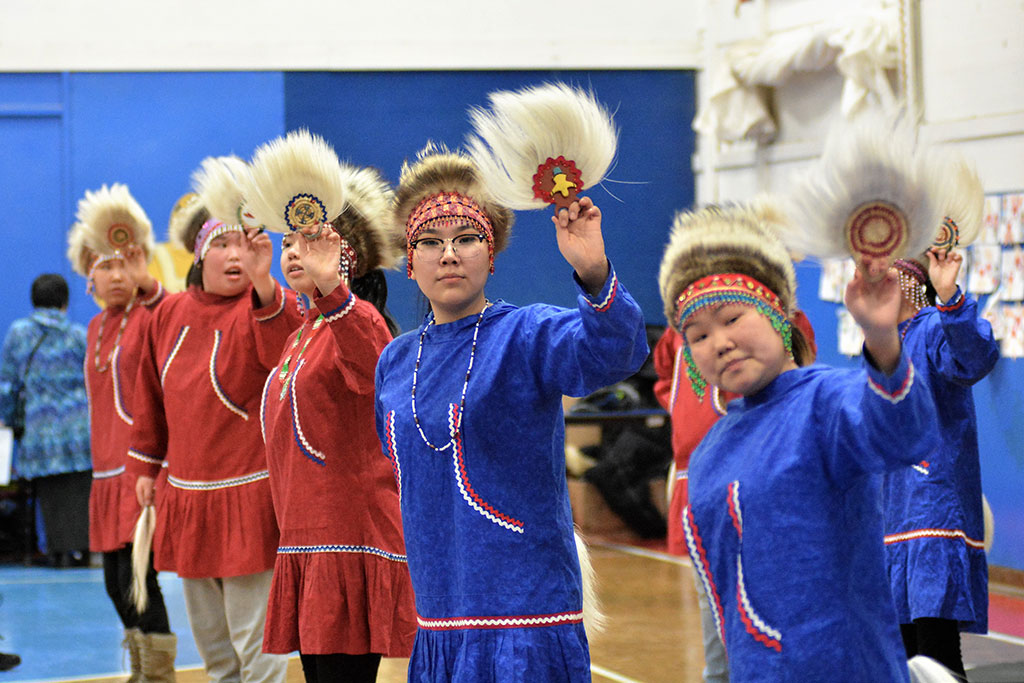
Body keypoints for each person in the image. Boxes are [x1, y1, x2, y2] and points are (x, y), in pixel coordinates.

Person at [374, 145, 648, 681]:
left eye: (466, 239)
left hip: (527, 613)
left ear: (492, 252)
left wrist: (593, 271)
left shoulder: (528, 334)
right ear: (410, 261)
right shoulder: (395, 360)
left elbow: (616, 350)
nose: (448, 254)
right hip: (437, 616)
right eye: (430, 242)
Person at [659, 202, 939, 681]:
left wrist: (880, 336)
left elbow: (905, 434)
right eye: (698, 334)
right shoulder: (709, 453)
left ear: (777, 312)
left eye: (731, 318)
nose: (718, 342)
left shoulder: (826, 402)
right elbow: (725, 603)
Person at [244, 130, 416, 683]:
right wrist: (260, 281)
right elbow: (275, 352)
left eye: (311, 242)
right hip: (308, 537)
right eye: (289, 242)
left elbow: (372, 371)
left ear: (348, 257)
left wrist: (335, 293)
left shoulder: (361, 322)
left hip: (349, 538)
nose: (293, 251)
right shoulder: (309, 328)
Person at [127, 178, 301, 683]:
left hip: (249, 498)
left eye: (243, 245)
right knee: (215, 651)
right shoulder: (169, 315)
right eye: (220, 244)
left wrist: (267, 284)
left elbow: (285, 351)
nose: (233, 256)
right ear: (200, 256)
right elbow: (150, 399)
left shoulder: (265, 308)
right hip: (186, 498)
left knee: (256, 647)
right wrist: (144, 464)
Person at [68, 183, 175, 680]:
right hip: (103, 471)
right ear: (87, 275)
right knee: (114, 584)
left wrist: (147, 285)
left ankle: (158, 675)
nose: (115, 276)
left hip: (139, 469)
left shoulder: (153, 314)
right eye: (104, 266)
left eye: (123, 265)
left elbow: (170, 311)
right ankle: (140, 669)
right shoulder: (93, 329)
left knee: (140, 580)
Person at [884, 248, 998, 679]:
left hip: (932, 505)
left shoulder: (934, 326)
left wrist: (949, 296)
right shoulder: (881, 344)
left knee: (936, 657)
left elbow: (974, 358)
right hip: (893, 510)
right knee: (904, 657)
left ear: (910, 284)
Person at [0, 274, 91, 566]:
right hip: (79, 430)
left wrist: (8, 419)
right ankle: (82, 550)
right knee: (79, 490)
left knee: (47, 493)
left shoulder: (19, 333)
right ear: (65, 301)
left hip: (40, 431)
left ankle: (53, 551)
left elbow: (7, 384)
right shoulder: (79, 335)